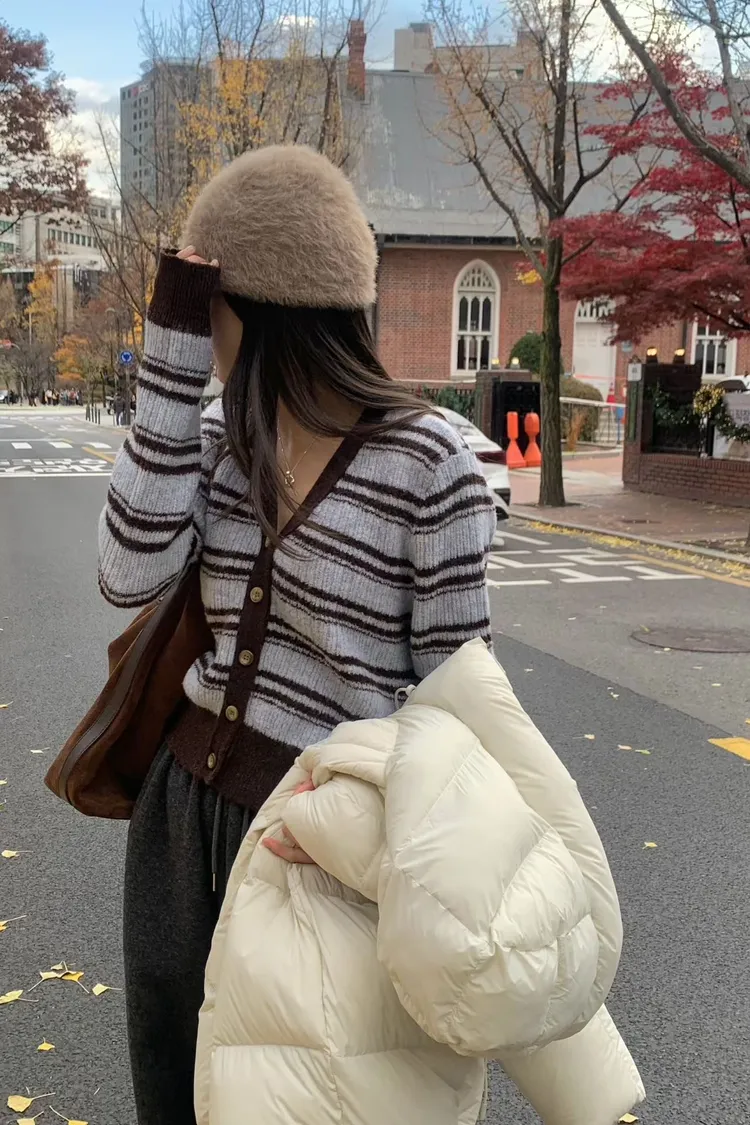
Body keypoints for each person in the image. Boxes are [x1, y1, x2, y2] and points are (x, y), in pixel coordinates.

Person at [97, 145, 497, 1125]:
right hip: (180, 819)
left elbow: (459, 708)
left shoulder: (430, 464)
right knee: (172, 1084)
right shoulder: (213, 441)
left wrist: (377, 842)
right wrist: (168, 374)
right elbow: (125, 574)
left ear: (261, 309)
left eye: (206, 311)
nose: (199, 333)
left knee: (303, 1099)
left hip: (322, 843)